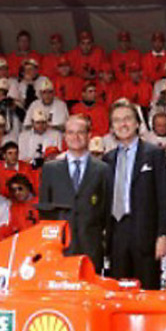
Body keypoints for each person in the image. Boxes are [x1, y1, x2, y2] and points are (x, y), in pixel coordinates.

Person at [103, 99, 166, 289]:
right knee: (119, 293)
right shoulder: (107, 159)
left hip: (146, 236)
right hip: (117, 234)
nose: (122, 124)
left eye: (127, 119)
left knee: (148, 293)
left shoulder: (154, 154)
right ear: (112, 126)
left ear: (137, 123)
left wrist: (163, 235)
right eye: (117, 120)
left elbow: (165, 198)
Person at [39, 115, 109, 272]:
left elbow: (105, 210)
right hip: (60, 249)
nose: (75, 137)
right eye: (70, 132)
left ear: (89, 135)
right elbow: (45, 213)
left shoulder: (103, 170)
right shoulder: (50, 169)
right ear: (64, 136)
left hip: (91, 248)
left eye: (80, 132)